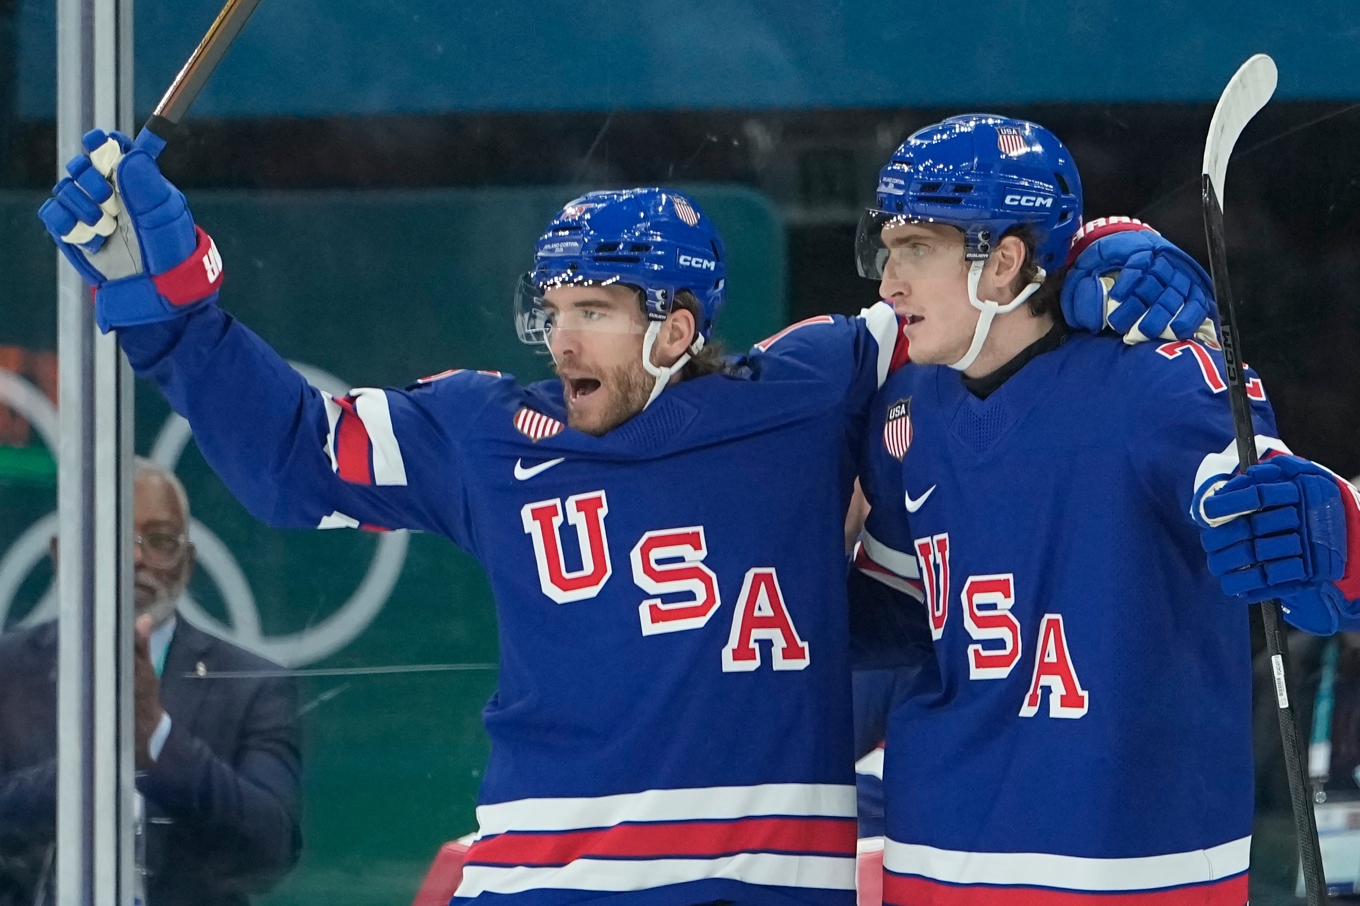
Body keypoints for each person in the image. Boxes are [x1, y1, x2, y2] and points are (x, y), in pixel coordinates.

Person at [38, 126, 1210, 905]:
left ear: (681, 324)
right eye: (553, 307)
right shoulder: (486, 433)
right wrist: (172, 304)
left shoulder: (811, 388)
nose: (562, 337)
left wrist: (1111, 244)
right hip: (543, 883)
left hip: (765, 885)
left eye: (595, 307)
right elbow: (292, 455)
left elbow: (978, 284)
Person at [847, 113, 1360, 905]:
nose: (889, 282)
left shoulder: (1154, 380)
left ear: (1004, 261)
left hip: (1130, 867)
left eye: (918, 249)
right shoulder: (905, 407)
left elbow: (1271, 501)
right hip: (931, 860)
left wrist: (1324, 529)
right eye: (888, 250)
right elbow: (901, 625)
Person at [0, 458, 301, 906]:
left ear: (188, 563)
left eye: (159, 540)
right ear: (63, 554)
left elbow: (270, 851)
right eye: (112, 535)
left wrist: (159, 738)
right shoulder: (7, 671)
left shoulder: (253, 685)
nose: (136, 557)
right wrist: (91, 767)